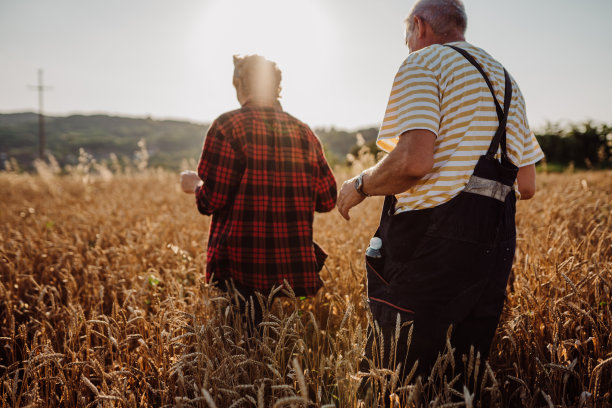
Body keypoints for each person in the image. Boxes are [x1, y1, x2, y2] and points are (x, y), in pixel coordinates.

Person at [336, 0, 544, 391]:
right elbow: (527, 184)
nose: (408, 46)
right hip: (496, 243)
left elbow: (414, 161)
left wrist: (360, 185)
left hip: (427, 240)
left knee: (392, 374)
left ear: (419, 26)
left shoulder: (425, 61)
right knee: (458, 378)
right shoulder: (506, 80)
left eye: (407, 38)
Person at [181, 55, 337, 331]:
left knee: (242, 344)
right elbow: (327, 200)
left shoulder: (227, 126)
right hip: (290, 265)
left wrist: (195, 185)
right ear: (276, 87)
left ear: (239, 83)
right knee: (278, 350)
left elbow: (211, 200)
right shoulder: (304, 133)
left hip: (241, 265)